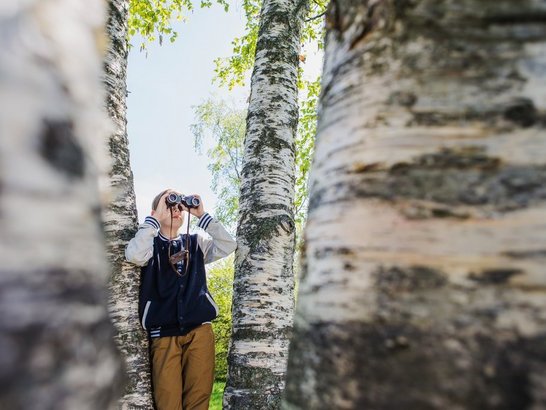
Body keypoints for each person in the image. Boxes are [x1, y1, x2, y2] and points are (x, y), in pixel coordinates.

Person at [125, 189, 236, 410]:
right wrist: (155, 218)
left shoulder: (195, 243)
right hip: (163, 335)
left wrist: (201, 215)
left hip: (200, 332)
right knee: (168, 403)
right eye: (170, 205)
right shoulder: (149, 245)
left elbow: (228, 244)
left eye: (179, 206)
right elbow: (134, 255)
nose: (176, 210)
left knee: (198, 400)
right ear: (156, 211)